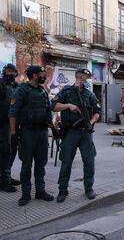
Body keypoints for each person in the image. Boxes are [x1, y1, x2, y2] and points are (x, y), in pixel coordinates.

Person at [51, 68, 101, 203]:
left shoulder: (89, 94)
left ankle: (89, 188)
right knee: (66, 162)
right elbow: (53, 106)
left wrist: (91, 121)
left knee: (89, 161)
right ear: (78, 78)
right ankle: (62, 190)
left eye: (86, 78)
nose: (85, 80)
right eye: (83, 78)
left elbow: (97, 111)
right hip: (71, 132)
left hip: (85, 132)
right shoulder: (66, 92)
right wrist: (68, 105)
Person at [9, 66, 54, 206]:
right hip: (28, 132)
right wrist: (13, 133)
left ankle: (40, 191)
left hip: (42, 132)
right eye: (42, 73)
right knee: (26, 164)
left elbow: (47, 110)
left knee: (41, 164)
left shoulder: (42, 90)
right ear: (35, 75)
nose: (44, 76)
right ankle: (25, 194)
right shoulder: (22, 90)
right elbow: (13, 112)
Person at [0, 64, 19, 192]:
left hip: (13, 123)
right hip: (2, 124)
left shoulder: (15, 86)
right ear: (4, 72)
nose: (11, 74)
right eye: (8, 71)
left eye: (13, 72)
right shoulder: (0, 84)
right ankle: (4, 181)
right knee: (5, 151)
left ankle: (7, 176)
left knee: (12, 149)